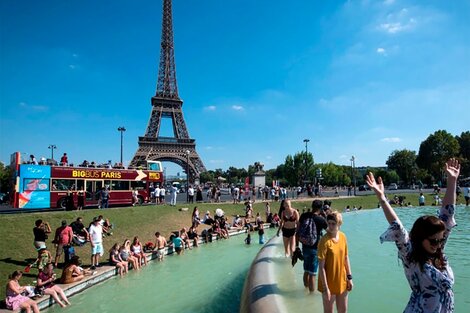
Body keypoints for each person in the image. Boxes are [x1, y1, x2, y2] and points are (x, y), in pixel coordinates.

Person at [366, 158, 460, 312]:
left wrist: (452, 181)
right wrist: (382, 198)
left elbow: (447, 214)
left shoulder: (437, 250)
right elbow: (398, 228)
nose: (439, 244)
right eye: (434, 241)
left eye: (441, 239)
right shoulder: (411, 256)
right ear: (421, 237)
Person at [318, 211, 353, 313]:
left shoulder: (343, 237)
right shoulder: (324, 241)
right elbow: (321, 267)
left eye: (333, 223)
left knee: (343, 310)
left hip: (342, 279)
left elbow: (346, 257)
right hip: (328, 282)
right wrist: (326, 288)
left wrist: (349, 277)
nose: (331, 226)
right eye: (329, 223)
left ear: (339, 224)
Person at [299, 200, 328, 293]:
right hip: (315, 248)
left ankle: (306, 289)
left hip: (304, 246)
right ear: (321, 208)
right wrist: (325, 216)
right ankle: (311, 294)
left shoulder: (304, 216)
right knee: (313, 274)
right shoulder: (320, 220)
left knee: (306, 271)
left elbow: (298, 231)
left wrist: (296, 246)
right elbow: (331, 231)